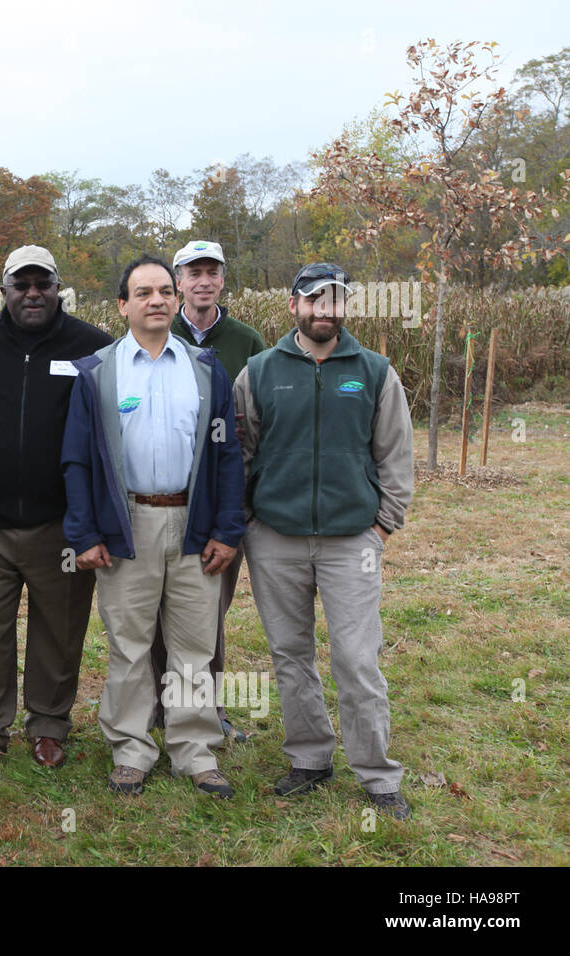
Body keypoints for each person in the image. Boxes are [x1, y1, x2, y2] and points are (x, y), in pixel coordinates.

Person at [234, 262, 415, 819]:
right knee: (290, 654)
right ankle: (310, 758)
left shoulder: (375, 371)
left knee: (357, 658)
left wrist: (382, 525)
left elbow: (395, 453)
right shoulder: (259, 372)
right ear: (294, 305)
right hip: (275, 538)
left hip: (351, 541)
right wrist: (248, 520)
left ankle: (377, 774)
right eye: (314, 299)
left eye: (335, 300)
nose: (324, 310)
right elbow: (240, 453)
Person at [62, 255, 245, 797]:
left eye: (165, 290)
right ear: (123, 305)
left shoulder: (205, 368)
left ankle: (194, 750)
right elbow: (76, 460)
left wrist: (227, 529)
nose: (157, 300)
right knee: (130, 645)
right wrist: (85, 533)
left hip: (194, 522)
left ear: (176, 297)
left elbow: (227, 454)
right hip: (129, 522)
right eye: (143, 293)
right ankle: (131, 749)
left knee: (194, 644)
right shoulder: (97, 373)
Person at [0, 245, 112, 771]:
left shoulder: (92, 347)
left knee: (58, 629)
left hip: (61, 522)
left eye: (43, 284)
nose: (33, 293)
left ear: (59, 288)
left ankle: (48, 724)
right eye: (22, 285)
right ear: (4, 291)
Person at [146, 240, 268, 741]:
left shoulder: (246, 342)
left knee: (207, 610)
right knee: (154, 608)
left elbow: (260, 420)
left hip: (220, 497)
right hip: (161, 495)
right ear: (178, 282)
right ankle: (158, 705)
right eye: (193, 272)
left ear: (222, 279)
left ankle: (207, 708)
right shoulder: (155, 330)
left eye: (211, 272)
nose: (203, 281)